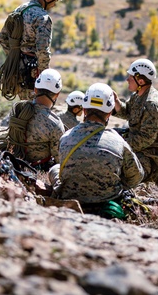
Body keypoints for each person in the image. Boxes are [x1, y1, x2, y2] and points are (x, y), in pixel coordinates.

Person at [49, 83, 143, 215]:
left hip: (71, 199)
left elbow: (64, 168)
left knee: (55, 168)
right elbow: (137, 177)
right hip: (107, 202)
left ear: (85, 109)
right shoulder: (118, 141)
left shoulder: (66, 137)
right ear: (109, 112)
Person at [0, 0, 64, 97]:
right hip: (32, 74)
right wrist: (45, 77)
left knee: (24, 108)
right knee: (34, 110)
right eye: (55, 1)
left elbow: (3, 38)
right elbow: (42, 51)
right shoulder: (43, 18)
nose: (54, 5)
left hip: (17, 70)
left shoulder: (20, 9)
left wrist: (14, 58)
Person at [113, 58, 158, 186]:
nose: (127, 79)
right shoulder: (138, 95)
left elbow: (145, 139)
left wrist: (118, 145)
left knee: (121, 170)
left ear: (140, 81)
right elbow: (129, 113)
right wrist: (117, 103)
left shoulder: (151, 104)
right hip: (141, 151)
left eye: (130, 77)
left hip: (152, 158)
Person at [6, 69, 65, 169]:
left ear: (35, 89)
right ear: (57, 94)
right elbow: (60, 160)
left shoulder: (19, 109)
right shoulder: (55, 124)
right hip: (37, 169)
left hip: (11, 162)